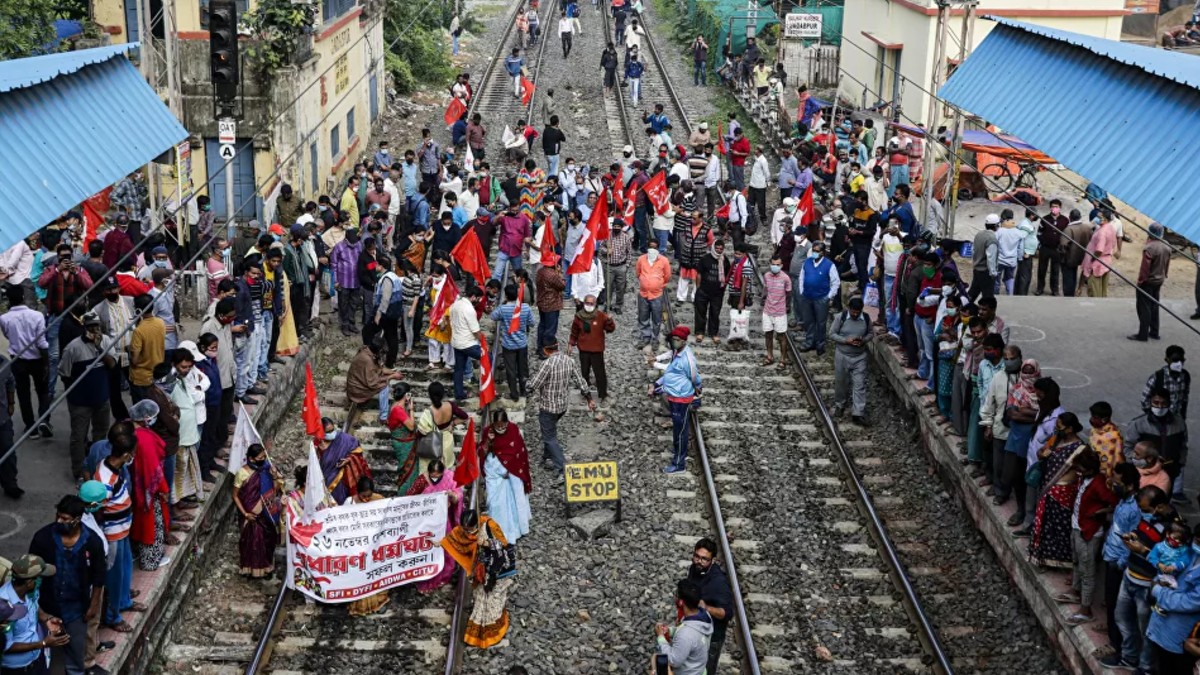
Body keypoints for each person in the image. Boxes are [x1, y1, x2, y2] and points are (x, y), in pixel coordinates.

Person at [27, 496, 105, 675]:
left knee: (76, 653)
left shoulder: (92, 542)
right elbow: (32, 571)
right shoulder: (42, 538)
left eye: (65, 519)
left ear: (77, 520)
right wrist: (39, 611)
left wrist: (93, 605)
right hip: (47, 604)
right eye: (58, 516)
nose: (59, 521)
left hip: (76, 608)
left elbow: (99, 577)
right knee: (40, 651)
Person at [1109, 485, 1172, 672]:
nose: (1141, 512)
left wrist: (1143, 550)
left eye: (1144, 509)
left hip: (1145, 586)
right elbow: (1140, 533)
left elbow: (1167, 563)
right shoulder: (1145, 520)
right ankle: (1129, 657)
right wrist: (1132, 538)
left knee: (1145, 630)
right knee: (1122, 619)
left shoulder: (1168, 531)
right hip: (1129, 577)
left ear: (1158, 507)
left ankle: (1146, 667)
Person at [1055, 448, 1116, 625]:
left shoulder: (1099, 484)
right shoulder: (1086, 479)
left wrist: (1098, 513)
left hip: (1089, 530)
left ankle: (1086, 609)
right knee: (1076, 561)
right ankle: (1075, 591)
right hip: (1078, 525)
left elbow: (1114, 502)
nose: (1078, 471)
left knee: (1087, 570)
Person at [441, 509, 515, 648]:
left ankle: (491, 634)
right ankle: (479, 634)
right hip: (481, 571)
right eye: (466, 530)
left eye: (470, 529)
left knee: (492, 600)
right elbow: (455, 537)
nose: (468, 533)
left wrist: (487, 543)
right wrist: (439, 543)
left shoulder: (489, 526)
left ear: (476, 523)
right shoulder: (464, 530)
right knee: (481, 598)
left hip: (497, 571)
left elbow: (503, 544)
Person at [527, 336, 594, 480]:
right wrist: (589, 398)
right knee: (549, 429)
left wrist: (526, 386)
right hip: (562, 406)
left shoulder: (547, 364)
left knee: (549, 436)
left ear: (545, 350)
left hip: (548, 407)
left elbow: (535, 384)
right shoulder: (569, 360)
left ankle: (562, 469)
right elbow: (580, 381)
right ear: (557, 345)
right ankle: (546, 457)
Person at [58, 312, 112, 483]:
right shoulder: (73, 348)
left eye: (97, 326)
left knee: (101, 434)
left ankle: (98, 466)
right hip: (80, 403)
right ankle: (79, 471)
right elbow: (64, 374)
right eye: (91, 327)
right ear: (84, 328)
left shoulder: (106, 341)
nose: (95, 330)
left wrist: (100, 349)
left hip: (101, 399)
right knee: (79, 437)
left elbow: (112, 364)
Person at [1028, 411, 1087, 568]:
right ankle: (1043, 558)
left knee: (1059, 528)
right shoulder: (1056, 440)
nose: (1057, 429)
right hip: (1048, 487)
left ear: (1070, 429)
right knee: (1045, 526)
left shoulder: (1080, 448)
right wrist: (1042, 454)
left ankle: (1061, 562)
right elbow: (1041, 452)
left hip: (1063, 493)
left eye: (1060, 427)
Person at [1, 555, 70, 674]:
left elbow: (34, 606)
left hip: (38, 660)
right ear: (29, 582)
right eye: (39, 577)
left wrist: (47, 618)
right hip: (16, 670)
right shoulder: (4, 606)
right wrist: (43, 643)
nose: (41, 581)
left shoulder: (31, 591)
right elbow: (6, 646)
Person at [1146, 523, 1200, 674]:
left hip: (1181, 632)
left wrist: (1158, 591)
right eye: (1196, 540)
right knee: (1162, 663)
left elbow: (1191, 602)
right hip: (1164, 624)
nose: (1197, 544)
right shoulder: (1190, 554)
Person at [0, 284, 49, 439]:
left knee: (23, 394)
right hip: (38, 359)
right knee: (43, 391)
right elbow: (42, 343)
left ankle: (30, 427)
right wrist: (47, 362)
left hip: (18, 360)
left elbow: (7, 336)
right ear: (23, 297)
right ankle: (44, 420)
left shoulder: (4, 318)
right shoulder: (37, 316)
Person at [406, 459, 463, 593]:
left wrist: (452, 496)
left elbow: (458, 494)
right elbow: (410, 497)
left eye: (438, 475)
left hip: (444, 521)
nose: (435, 478)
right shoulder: (422, 480)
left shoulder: (450, 477)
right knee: (428, 547)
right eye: (433, 475)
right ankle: (426, 577)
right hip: (426, 522)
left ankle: (444, 575)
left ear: (443, 472)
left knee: (445, 547)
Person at [1124, 388, 1190, 504]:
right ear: (1150, 402)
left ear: (1169, 403)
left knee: (1163, 501)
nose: (1160, 407)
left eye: (1164, 403)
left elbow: (1183, 446)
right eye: (1156, 403)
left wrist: (1180, 464)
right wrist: (1138, 463)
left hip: (1170, 471)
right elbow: (1128, 448)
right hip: (1145, 474)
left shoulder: (1179, 423)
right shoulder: (1138, 424)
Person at [652, 326, 701, 475]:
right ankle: (680, 448)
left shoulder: (687, 359)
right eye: (673, 340)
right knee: (680, 428)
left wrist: (697, 390)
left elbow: (695, 377)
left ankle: (679, 464)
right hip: (674, 396)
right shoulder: (676, 353)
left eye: (677, 340)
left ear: (684, 341)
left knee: (680, 430)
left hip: (681, 398)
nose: (674, 342)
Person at [129, 400, 171, 571]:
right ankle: (151, 559)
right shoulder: (144, 439)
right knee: (152, 525)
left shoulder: (131, 430)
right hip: (147, 491)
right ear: (145, 417)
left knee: (139, 524)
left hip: (135, 487)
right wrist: (164, 490)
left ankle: (139, 552)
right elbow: (152, 469)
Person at [232, 443, 282, 579]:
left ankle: (267, 567)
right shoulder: (242, 473)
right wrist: (245, 514)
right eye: (260, 457)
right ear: (252, 458)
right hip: (251, 514)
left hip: (266, 511)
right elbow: (235, 496)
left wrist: (275, 476)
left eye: (264, 456)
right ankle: (249, 568)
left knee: (267, 540)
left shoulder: (267, 469)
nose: (264, 459)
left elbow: (276, 489)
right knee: (251, 542)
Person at [481, 409, 532, 543]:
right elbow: (482, 451)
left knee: (516, 499)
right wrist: (488, 441)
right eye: (497, 425)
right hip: (494, 472)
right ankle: (497, 530)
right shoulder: (488, 431)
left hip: (513, 471)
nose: (500, 428)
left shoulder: (513, 429)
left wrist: (511, 468)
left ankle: (518, 528)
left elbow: (520, 452)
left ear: (506, 422)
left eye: (502, 425)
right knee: (495, 503)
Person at [684, 538, 731, 675]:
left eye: (704, 559)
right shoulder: (695, 568)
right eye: (697, 557)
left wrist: (706, 608)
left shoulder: (719, 582)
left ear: (713, 560)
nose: (699, 561)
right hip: (695, 631)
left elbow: (727, 613)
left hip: (711, 637)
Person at [654, 579, 713, 675]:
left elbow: (673, 660)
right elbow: (688, 631)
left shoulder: (686, 635)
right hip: (699, 670)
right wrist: (670, 631)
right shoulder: (704, 615)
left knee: (655, 661)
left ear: (681, 602)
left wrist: (660, 637)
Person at [830, 297, 873, 424]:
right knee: (841, 382)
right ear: (849, 309)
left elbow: (871, 333)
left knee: (859, 384)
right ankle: (840, 405)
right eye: (853, 311)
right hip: (842, 355)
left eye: (857, 312)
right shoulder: (840, 317)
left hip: (859, 357)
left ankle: (858, 413)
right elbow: (832, 334)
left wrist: (863, 340)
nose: (855, 314)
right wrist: (846, 340)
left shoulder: (866, 318)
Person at [491, 284, 536, 405]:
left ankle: (514, 394)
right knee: (523, 369)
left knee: (511, 371)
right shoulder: (525, 308)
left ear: (506, 296)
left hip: (508, 345)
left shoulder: (503, 309)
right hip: (522, 344)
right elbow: (532, 323)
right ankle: (523, 390)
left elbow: (493, 316)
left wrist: (503, 304)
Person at [568, 294, 614, 403]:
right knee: (584, 373)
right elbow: (574, 332)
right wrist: (571, 344)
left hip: (597, 350)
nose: (589, 305)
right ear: (584, 304)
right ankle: (585, 394)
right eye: (587, 303)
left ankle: (603, 395)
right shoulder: (579, 316)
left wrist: (610, 321)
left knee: (600, 374)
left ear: (595, 304)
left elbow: (610, 329)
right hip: (583, 349)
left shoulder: (601, 315)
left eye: (591, 303)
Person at [415, 382, 469, 475]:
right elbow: (465, 416)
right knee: (446, 468)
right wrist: (452, 423)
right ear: (443, 394)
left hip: (433, 446)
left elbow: (422, 432)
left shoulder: (429, 412)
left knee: (431, 472)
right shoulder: (450, 405)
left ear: (430, 395)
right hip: (447, 440)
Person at [1129, 222, 1171, 342]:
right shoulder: (1167, 246)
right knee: (1154, 306)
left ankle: (1142, 335)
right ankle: (1154, 332)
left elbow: (1145, 268)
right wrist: (1164, 275)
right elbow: (1167, 264)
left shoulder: (1149, 248)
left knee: (1144, 308)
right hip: (1160, 280)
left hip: (1148, 281)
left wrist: (1141, 281)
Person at [346, 338, 403, 424]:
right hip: (356, 389)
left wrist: (393, 372)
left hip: (358, 382)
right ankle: (383, 417)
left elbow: (380, 369)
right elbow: (373, 383)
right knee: (384, 386)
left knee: (386, 378)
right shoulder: (368, 360)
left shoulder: (367, 351)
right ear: (379, 350)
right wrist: (392, 376)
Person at [797, 240, 839, 356]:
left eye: (817, 251)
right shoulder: (807, 262)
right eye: (813, 251)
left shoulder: (829, 265)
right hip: (807, 297)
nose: (814, 253)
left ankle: (820, 344)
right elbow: (802, 277)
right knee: (809, 321)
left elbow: (836, 282)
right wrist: (802, 291)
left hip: (821, 298)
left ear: (823, 252)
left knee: (821, 323)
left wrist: (829, 297)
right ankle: (809, 342)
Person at [315, 418, 370, 505]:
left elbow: (357, 452)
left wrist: (348, 460)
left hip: (342, 480)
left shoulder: (345, 439)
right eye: (328, 432)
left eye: (332, 430)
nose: (331, 433)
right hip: (325, 481)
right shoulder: (318, 444)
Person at [449, 286, 485, 404]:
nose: (478, 301)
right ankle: (486, 387)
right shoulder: (469, 309)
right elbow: (475, 331)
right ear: (473, 297)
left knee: (458, 369)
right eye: (478, 299)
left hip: (456, 342)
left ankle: (459, 394)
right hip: (468, 343)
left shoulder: (455, 305)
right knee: (488, 358)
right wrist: (484, 343)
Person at [635, 240, 671, 349]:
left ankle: (655, 339)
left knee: (657, 318)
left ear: (658, 249)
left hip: (657, 295)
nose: (652, 249)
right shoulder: (641, 259)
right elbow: (638, 273)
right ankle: (645, 337)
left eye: (655, 247)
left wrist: (658, 284)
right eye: (650, 247)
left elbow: (667, 276)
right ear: (647, 247)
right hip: (643, 294)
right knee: (643, 317)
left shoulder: (664, 260)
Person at [385, 383, 420, 494]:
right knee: (408, 473)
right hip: (404, 444)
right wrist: (411, 410)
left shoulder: (394, 405)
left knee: (405, 471)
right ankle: (404, 495)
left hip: (401, 442)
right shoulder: (398, 410)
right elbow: (410, 426)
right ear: (406, 395)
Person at [1142, 345, 1190, 419]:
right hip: (1159, 419)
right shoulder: (1158, 378)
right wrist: (1154, 415)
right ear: (1167, 360)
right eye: (1175, 360)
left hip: (1176, 418)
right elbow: (1145, 400)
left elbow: (1184, 398)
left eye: (1181, 360)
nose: (1179, 364)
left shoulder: (1185, 377)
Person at [1083, 209, 1117, 298]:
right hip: (1106, 262)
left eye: (1100, 217)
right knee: (1103, 290)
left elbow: (1099, 250)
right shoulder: (1111, 228)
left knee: (1094, 291)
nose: (1098, 218)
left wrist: (1092, 259)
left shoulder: (1102, 232)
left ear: (1105, 219)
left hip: (1097, 264)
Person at [968, 214, 999, 301]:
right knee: (988, 297)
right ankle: (986, 313)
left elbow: (973, 251)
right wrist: (993, 273)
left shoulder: (979, 234)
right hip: (986, 272)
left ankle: (964, 307)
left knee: (972, 293)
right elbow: (991, 258)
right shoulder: (992, 239)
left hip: (977, 269)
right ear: (996, 226)